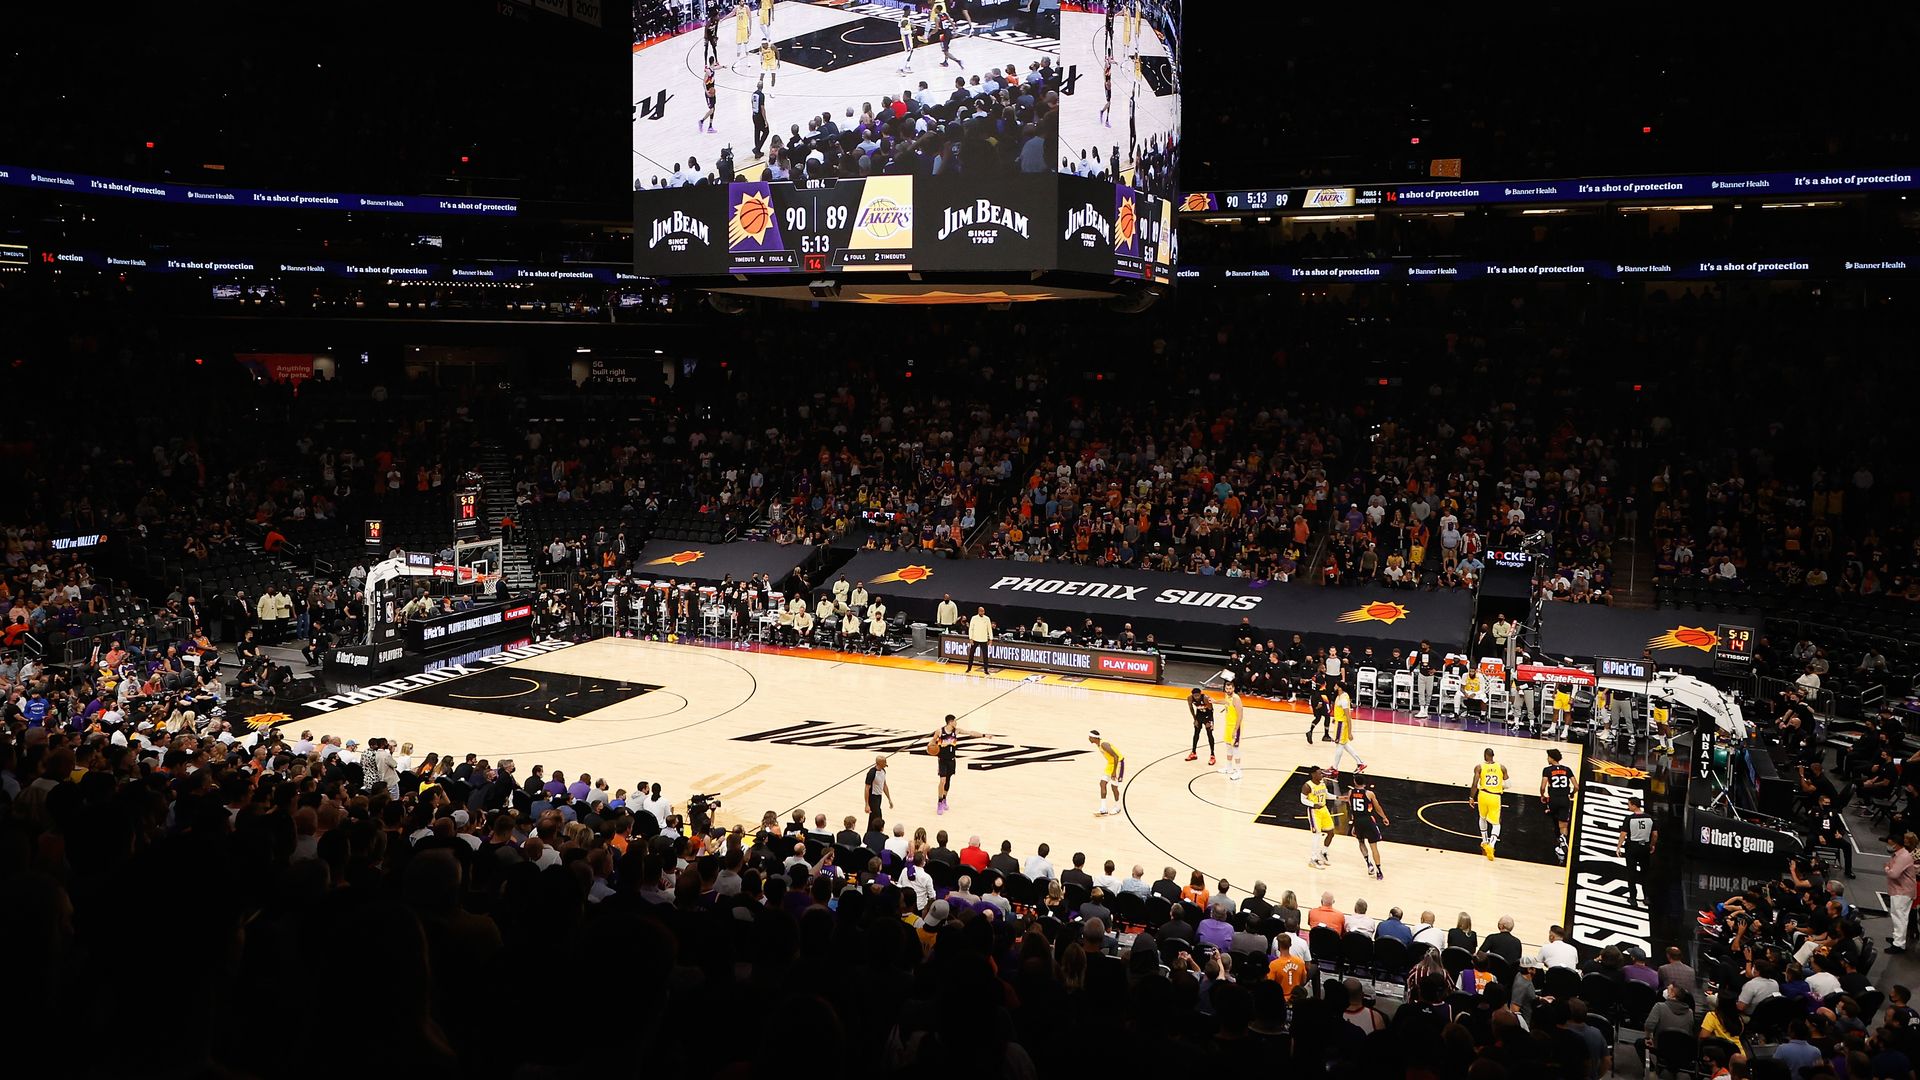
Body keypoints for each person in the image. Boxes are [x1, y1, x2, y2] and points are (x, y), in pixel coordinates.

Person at [930, 713, 986, 815]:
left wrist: (983, 735)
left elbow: (971, 732)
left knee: (948, 781)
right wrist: (931, 746)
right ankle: (939, 802)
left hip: (951, 760)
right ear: (950, 722)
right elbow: (932, 742)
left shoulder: (956, 731)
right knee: (942, 781)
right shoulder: (939, 731)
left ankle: (944, 799)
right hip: (942, 760)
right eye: (955, 721)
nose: (956, 722)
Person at [1346, 773, 1390, 880]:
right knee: (1373, 846)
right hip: (1367, 820)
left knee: (1361, 842)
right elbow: (1377, 807)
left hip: (1357, 821)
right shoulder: (1369, 794)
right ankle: (1379, 871)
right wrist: (1384, 817)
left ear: (1355, 782)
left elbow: (1351, 808)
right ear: (1364, 783)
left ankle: (1368, 863)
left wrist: (1354, 824)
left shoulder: (1350, 792)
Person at [1540, 747, 1578, 864]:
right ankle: (1562, 839)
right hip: (1565, 799)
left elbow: (1543, 786)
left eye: (1548, 757)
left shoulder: (1547, 770)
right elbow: (1576, 786)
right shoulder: (1567, 769)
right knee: (1564, 824)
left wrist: (1542, 795)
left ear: (1552, 758)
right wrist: (1572, 794)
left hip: (1553, 799)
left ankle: (1560, 841)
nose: (1547, 759)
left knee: (1554, 820)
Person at [1617, 796, 1656, 905]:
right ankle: (1647, 897)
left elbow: (1623, 834)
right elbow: (1655, 834)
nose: (1628, 807)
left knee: (1631, 873)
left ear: (1634, 805)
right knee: (1645, 873)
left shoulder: (1629, 819)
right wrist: (1652, 845)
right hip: (1645, 847)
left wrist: (1619, 846)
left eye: (1629, 804)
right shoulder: (1650, 818)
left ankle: (1633, 898)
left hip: (1632, 847)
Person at [1471, 748, 1508, 861]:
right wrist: (1500, 786)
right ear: (1493, 755)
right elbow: (1508, 784)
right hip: (1495, 797)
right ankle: (1491, 845)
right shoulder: (1501, 767)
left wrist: (1471, 797)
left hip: (1483, 795)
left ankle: (1484, 841)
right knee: (1496, 823)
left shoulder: (1479, 767)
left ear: (1485, 755)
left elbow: (1474, 784)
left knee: (1482, 818)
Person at [1888, 832, 1917, 954]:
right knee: (1900, 916)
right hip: (1901, 890)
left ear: (1896, 844)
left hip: (1902, 891)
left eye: (1891, 844)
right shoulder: (1901, 854)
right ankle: (1898, 939)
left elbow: (1894, 874)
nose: (1889, 846)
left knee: (1899, 917)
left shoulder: (1903, 857)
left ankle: (1899, 944)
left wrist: (1887, 869)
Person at [1327, 685, 1365, 775]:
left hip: (1342, 724)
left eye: (1336, 685)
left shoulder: (1343, 699)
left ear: (1340, 687)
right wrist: (1335, 717)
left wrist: (1350, 732)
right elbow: (1339, 711)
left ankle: (1335, 768)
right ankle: (1360, 763)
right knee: (1344, 744)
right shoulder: (1340, 695)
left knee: (1339, 744)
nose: (1334, 686)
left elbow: (1348, 716)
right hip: (1339, 722)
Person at [1302, 766, 1336, 868]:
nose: (1322, 775)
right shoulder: (1307, 786)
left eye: (1321, 773)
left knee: (1331, 832)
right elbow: (1303, 800)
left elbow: (1326, 795)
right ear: (1313, 774)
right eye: (1319, 773)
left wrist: (1338, 797)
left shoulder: (1322, 783)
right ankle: (1313, 859)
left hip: (1324, 809)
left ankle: (1323, 853)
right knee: (1317, 834)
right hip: (1314, 812)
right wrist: (1313, 804)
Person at [1090, 730, 1124, 816]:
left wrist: (1114, 772)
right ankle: (1103, 809)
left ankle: (1118, 807)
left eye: (1090, 737)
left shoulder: (1103, 744)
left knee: (1114, 787)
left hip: (1118, 763)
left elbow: (1116, 756)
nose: (1089, 738)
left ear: (1095, 738)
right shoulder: (1099, 744)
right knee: (1102, 783)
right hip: (1110, 764)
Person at [1219, 675, 1244, 780]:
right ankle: (1229, 768)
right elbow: (1226, 703)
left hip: (1235, 727)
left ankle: (1239, 772)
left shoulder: (1236, 698)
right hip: (1228, 726)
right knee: (1228, 746)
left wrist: (1235, 730)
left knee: (1235, 749)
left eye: (1230, 688)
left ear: (1233, 688)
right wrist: (1215, 701)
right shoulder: (1227, 696)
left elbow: (1240, 715)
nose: (1228, 690)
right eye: (1227, 688)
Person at [1185, 685, 1216, 765]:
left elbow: (1211, 710)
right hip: (1199, 715)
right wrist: (1195, 719)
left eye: (1198, 695)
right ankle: (1193, 753)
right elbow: (1191, 708)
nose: (1196, 697)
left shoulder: (1205, 698)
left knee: (1209, 734)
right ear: (1192, 695)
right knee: (1196, 734)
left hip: (1207, 716)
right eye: (1195, 696)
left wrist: (1210, 722)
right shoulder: (1190, 698)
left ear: (1200, 694)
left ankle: (1212, 755)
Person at [863, 755, 893, 830]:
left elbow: (884, 785)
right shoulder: (872, 773)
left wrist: (889, 799)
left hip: (879, 797)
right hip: (873, 797)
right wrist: (867, 804)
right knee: (877, 818)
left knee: (873, 818)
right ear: (880, 763)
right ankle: (875, 832)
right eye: (884, 762)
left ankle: (870, 833)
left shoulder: (883, 771)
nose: (886, 763)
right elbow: (867, 788)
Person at [965, 606, 995, 674]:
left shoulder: (987, 619)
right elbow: (971, 628)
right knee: (971, 654)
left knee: (985, 655)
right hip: (975, 639)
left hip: (984, 639)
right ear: (978, 611)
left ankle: (986, 670)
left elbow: (989, 629)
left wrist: (991, 639)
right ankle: (969, 668)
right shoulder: (974, 618)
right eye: (981, 611)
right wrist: (970, 638)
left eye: (983, 611)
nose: (982, 612)